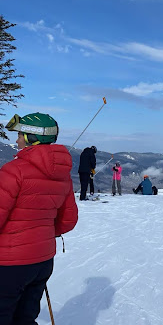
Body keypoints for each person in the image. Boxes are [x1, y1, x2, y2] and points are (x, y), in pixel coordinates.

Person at [0, 112, 78, 325]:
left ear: (30, 138)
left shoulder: (13, 171)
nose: (16, 140)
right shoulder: (63, 175)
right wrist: (40, 234)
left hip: (9, 263)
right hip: (42, 262)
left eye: (20, 135)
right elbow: (68, 220)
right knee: (25, 317)